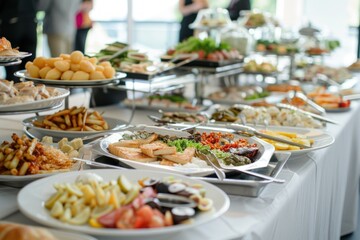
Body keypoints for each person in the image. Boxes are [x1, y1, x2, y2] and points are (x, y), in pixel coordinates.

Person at [0, 0, 38, 81]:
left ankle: (14, 90)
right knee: (29, 69)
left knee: (12, 69)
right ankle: (29, 91)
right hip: (31, 22)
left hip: (12, 22)